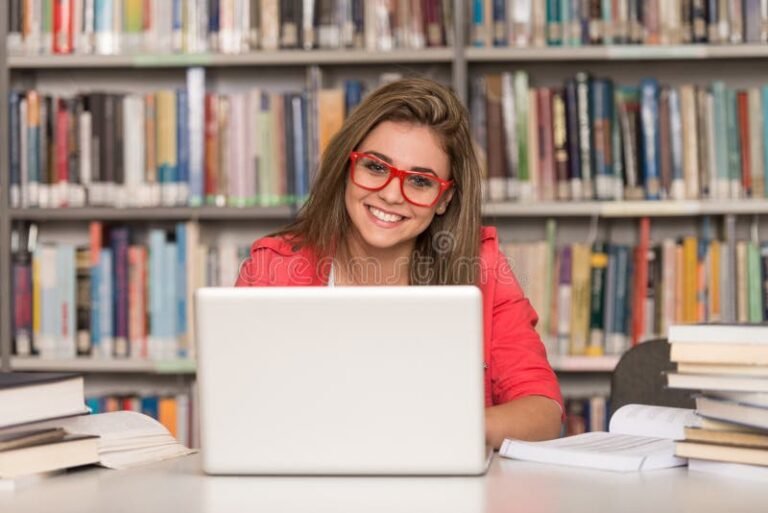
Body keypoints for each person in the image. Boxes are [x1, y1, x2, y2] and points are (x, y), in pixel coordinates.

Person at [236, 77, 563, 448]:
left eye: (421, 182)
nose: (391, 195)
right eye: (376, 167)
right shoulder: (272, 268)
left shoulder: (482, 269)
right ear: (347, 167)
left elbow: (543, 410)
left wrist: (434, 430)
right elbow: (237, 405)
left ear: (444, 198)